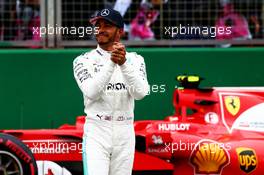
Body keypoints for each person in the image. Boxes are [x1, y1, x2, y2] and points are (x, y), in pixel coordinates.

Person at [73, 8, 149, 175]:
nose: (100, 29)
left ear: (120, 31)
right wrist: (112, 62)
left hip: (126, 132)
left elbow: (141, 93)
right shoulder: (82, 60)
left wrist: (124, 64)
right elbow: (92, 92)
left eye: (107, 25)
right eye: (98, 25)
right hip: (97, 132)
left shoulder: (136, 60)